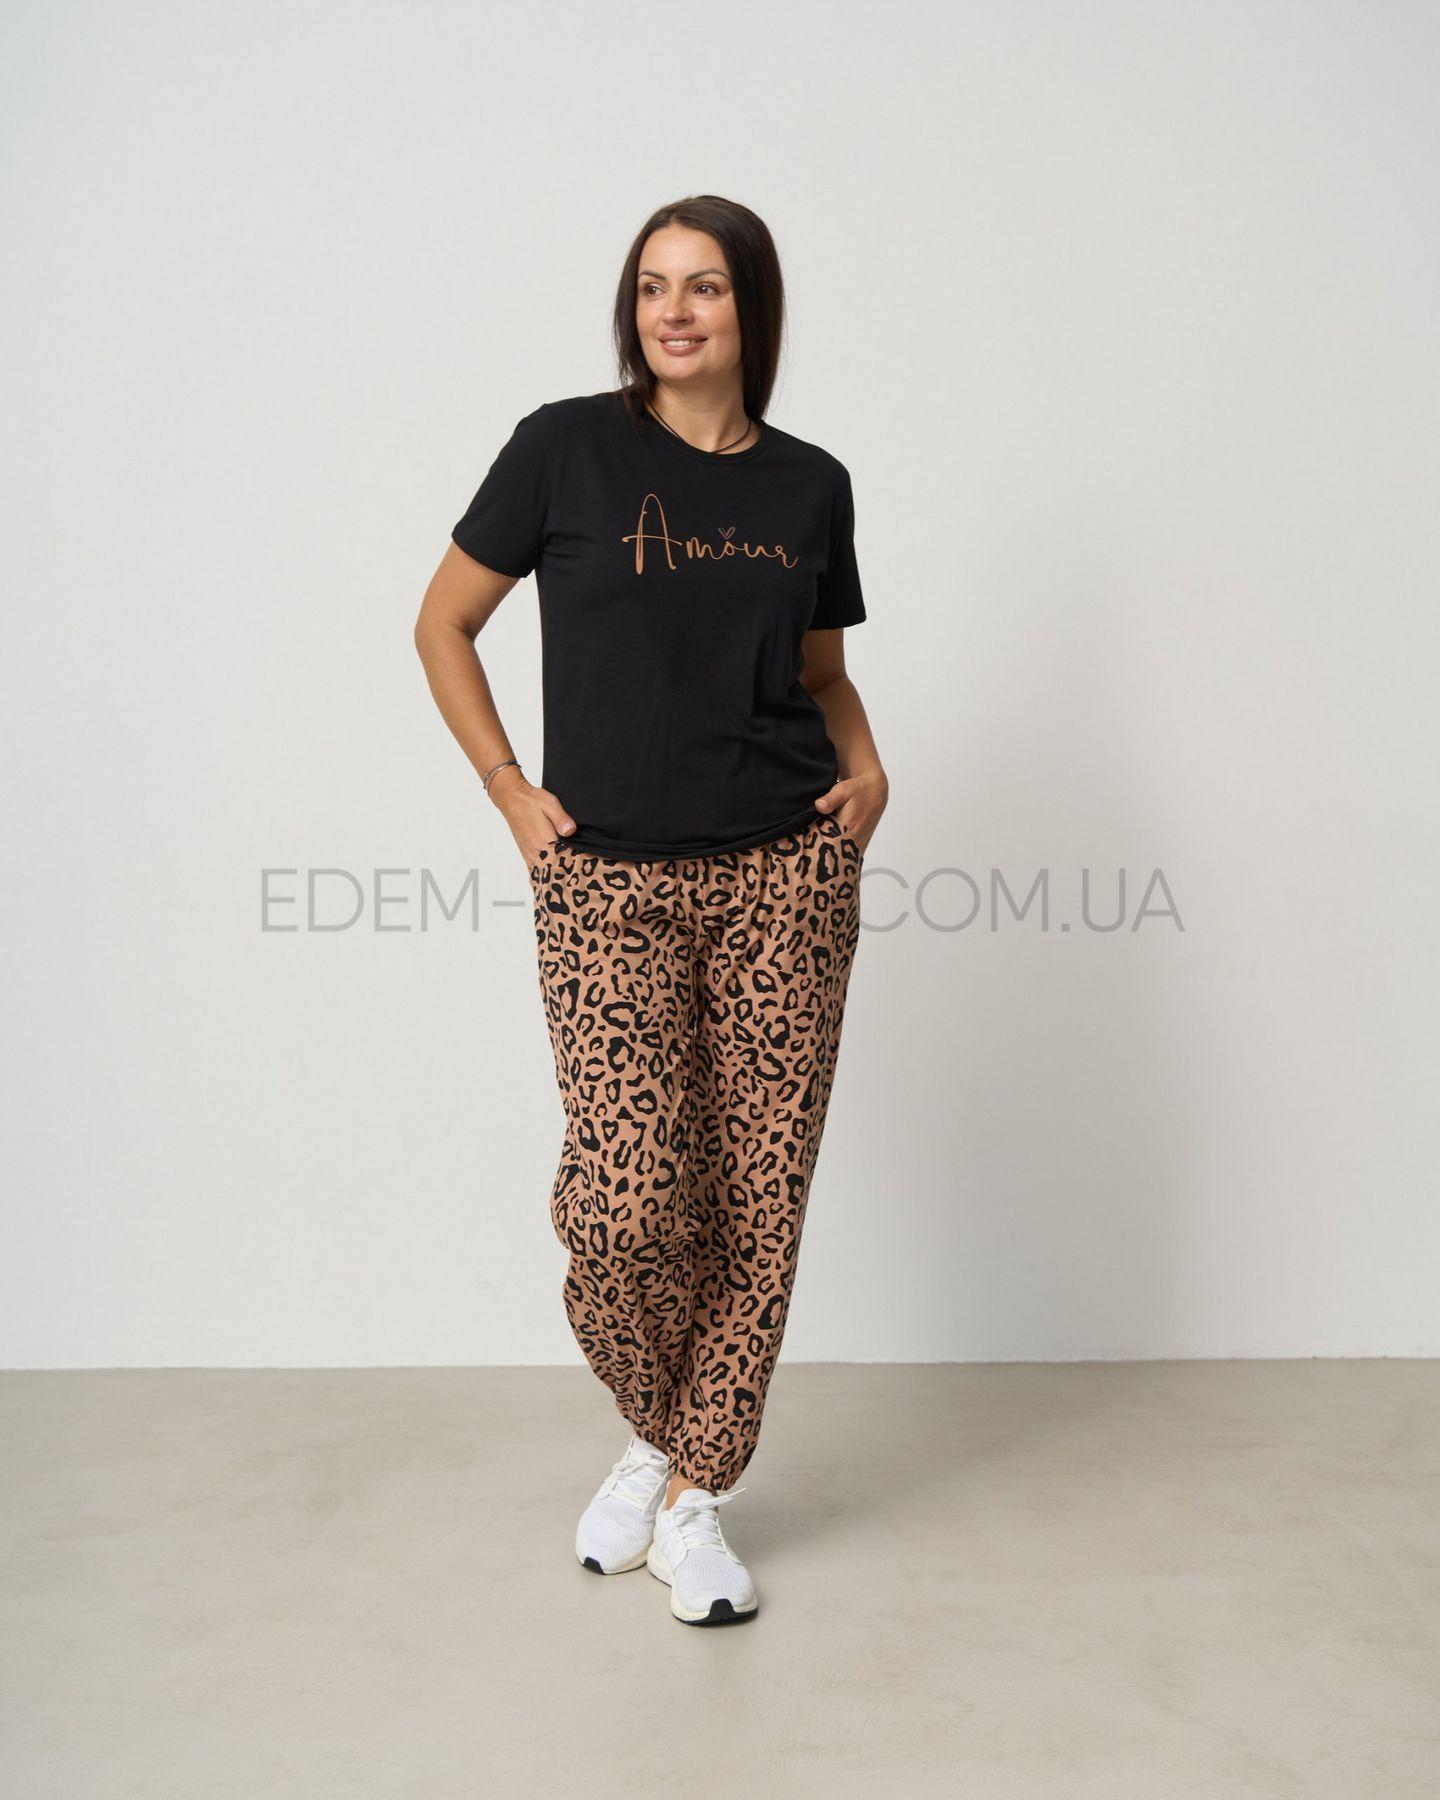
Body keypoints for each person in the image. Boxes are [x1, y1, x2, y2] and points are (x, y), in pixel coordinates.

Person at [413, 194, 887, 1626]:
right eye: (653, 286)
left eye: (707, 286)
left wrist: (869, 771)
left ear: (753, 310)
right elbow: (443, 623)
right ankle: (663, 1430)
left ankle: (692, 1493)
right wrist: (509, 790)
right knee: (629, 1203)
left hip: (785, 874)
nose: (675, 310)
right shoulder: (564, 448)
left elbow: (819, 674)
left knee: (759, 1195)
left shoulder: (809, 485)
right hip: (606, 876)